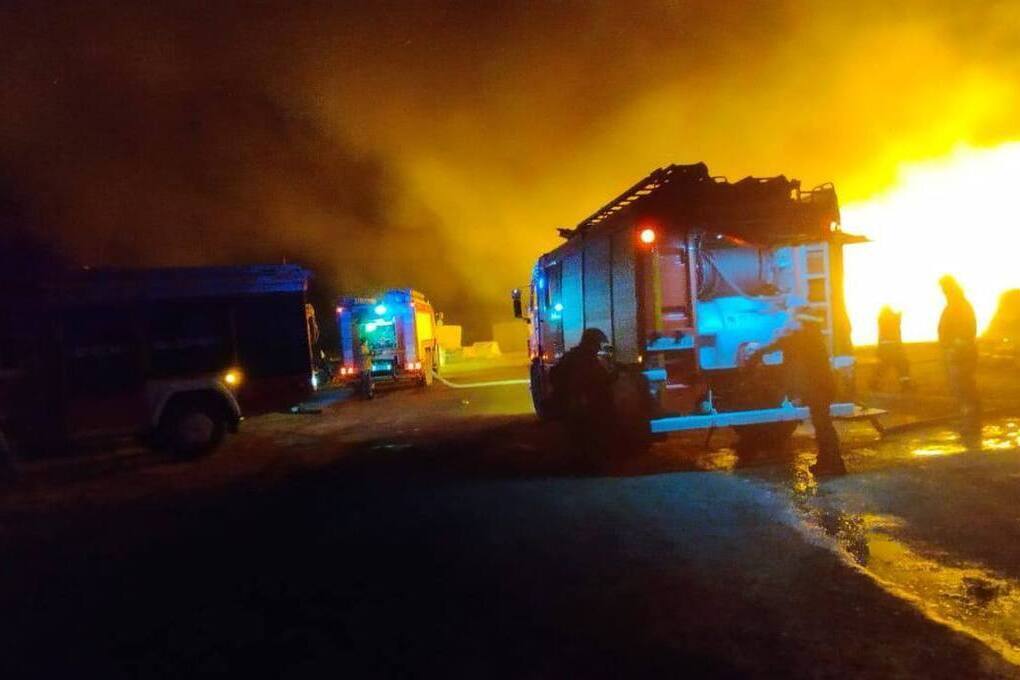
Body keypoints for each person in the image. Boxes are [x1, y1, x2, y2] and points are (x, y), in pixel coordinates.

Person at [750, 310, 846, 476]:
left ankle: (835, 464)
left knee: (823, 427)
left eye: (798, 322)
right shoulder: (812, 337)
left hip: (818, 388)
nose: (795, 325)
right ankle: (827, 461)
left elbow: (783, 343)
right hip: (822, 387)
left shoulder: (804, 338)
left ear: (804, 324)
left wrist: (758, 351)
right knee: (822, 426)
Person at [548, 328, 615, 453]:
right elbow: (598, 379)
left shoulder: (573, 355)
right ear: (592, 343)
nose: (598, 348)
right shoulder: (586, 359)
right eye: (597, 344)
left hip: (574, 408)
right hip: (581, 408)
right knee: (586, 441)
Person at [938, 275, 980, 431]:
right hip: (957, 351)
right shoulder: (955, 303)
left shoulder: (958, 304)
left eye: (944, 288)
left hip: (960, 353)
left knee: (964, 388)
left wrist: (956, 345)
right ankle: (968, 420)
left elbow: (967, 328)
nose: (942, 291)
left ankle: (971, 423)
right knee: (962, 388)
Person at [870, 305, 912, 391]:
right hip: (896, 349)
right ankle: (905, 385)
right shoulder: (894, 319)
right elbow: (898, 316)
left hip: (884, 350)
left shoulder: (881, 319)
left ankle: (875, 384)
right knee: (902, 367)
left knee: (881, 369)